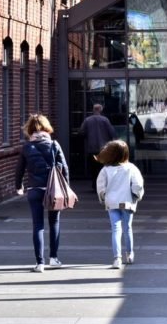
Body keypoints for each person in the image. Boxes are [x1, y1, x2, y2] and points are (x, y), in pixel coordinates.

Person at [15, 113, 70, 273]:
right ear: (47, 128)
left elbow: (19, 170)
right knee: (54, 223)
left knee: (37, 225)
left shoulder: (27, 147)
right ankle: (54, 258)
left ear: (29, 130)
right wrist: (66, 187)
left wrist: (19, 186)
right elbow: (64, 168)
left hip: (34, 189)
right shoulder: (54, 145)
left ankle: (40, 263)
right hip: (53, 190)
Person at [95, 139, 145, 269]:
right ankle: (129, 254)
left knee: (115, 229)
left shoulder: (105, 170)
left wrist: (104, 197)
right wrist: (136, 195)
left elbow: (100, 186)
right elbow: (138, 185)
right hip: (127, 201)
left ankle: (117, 258)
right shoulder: (131, 168)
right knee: (128, 228)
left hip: (112, 202)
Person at [79, 104, 116, 188]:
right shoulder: (105, 120)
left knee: (93, 167)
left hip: (92, 148)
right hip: (104, 148)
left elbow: (81, 132)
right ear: (101, 110)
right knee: (103, 167)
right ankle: (102, 185)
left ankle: (95, 184)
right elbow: (112, 132)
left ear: (93, 110)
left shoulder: (87, 120)